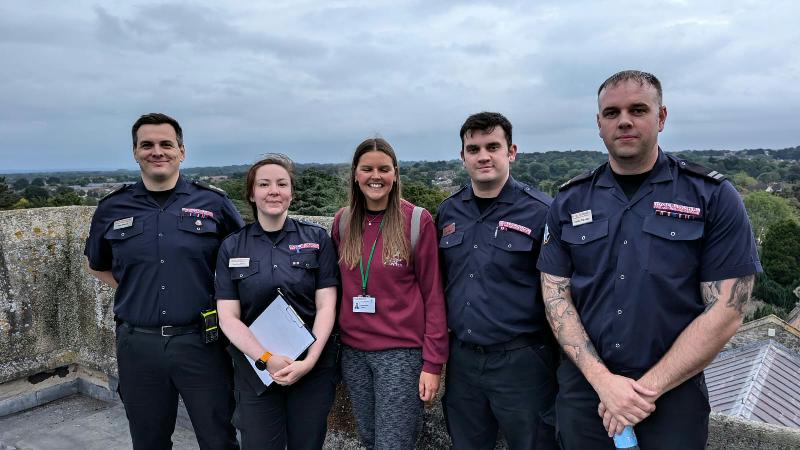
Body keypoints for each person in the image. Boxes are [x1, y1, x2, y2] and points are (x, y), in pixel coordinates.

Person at [537, 70, 761, 449]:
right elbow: (556, 297)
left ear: (661, 117)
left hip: (672, 396)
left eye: (637, 109)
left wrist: (643, 391)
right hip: (586, 392)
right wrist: (604, 383)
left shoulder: (711, 196)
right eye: (611, 113)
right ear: (598, 124)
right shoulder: (570, 200)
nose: (623, 120)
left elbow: (728, 308)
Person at [84, 113, 242, 450]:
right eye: (147, 145)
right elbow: (97, 265)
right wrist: (140, 290)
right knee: (148, 440)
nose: (157, 151)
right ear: (135, 152)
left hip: (203, 344)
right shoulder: (112, 208)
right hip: (138, 346)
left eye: (166, 144)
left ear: (181, 152)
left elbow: (242, 265)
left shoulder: (214, 204)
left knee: (219, 439)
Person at [437, 112, 558, 450]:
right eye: (473, 149)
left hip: (522, 362)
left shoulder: (542, 212)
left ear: (511, 151)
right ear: (463, 157)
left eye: (493, 146)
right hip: (463, 361)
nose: (483, 156)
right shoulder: (448, 212)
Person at [215, 154, 339, 450]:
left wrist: (308, 362)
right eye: (264, 184)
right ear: (251, 193)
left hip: (311, 368)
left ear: (291, 193)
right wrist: (267, 358)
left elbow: (327, 307)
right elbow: (228, 317)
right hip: (256, 369)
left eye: (282, 184)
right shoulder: (232, 246)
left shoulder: (317, 239)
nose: (274, 191)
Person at [332, 137, 448, 450]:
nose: (376, 176)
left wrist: (433, 363)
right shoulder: (342, 223)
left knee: (394, 443)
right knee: (369, 440)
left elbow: (433, 295)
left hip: (400, 354)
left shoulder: (415, 221)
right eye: (367, 168)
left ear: (395, 173)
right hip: (353, 353)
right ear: (355, 174)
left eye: (384, 169)